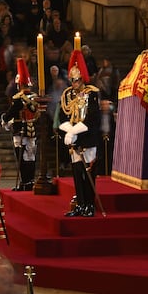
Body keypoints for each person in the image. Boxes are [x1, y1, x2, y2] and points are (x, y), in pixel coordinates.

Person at [58, 50, 101, 217]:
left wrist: (75, 131)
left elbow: (92, 117)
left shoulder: (92, 93)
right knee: (76, 173)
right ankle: (81, 204)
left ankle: (89, 204)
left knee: (89, 174)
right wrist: (68, 130)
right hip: (74, 140)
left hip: (88, 138)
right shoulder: (67, 94)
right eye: (72, 80)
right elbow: (63, 114)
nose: (73, 83)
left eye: (76, 80)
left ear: (82, 78)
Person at [2, 59, 39, 191]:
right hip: (32, 130)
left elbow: (10, 113)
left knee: (21, 157)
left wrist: (5, 119)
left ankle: (24, 182)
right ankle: (30, 181)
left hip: (20, 131)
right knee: (31, 157)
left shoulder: (18, 98)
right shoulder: (35, 97)